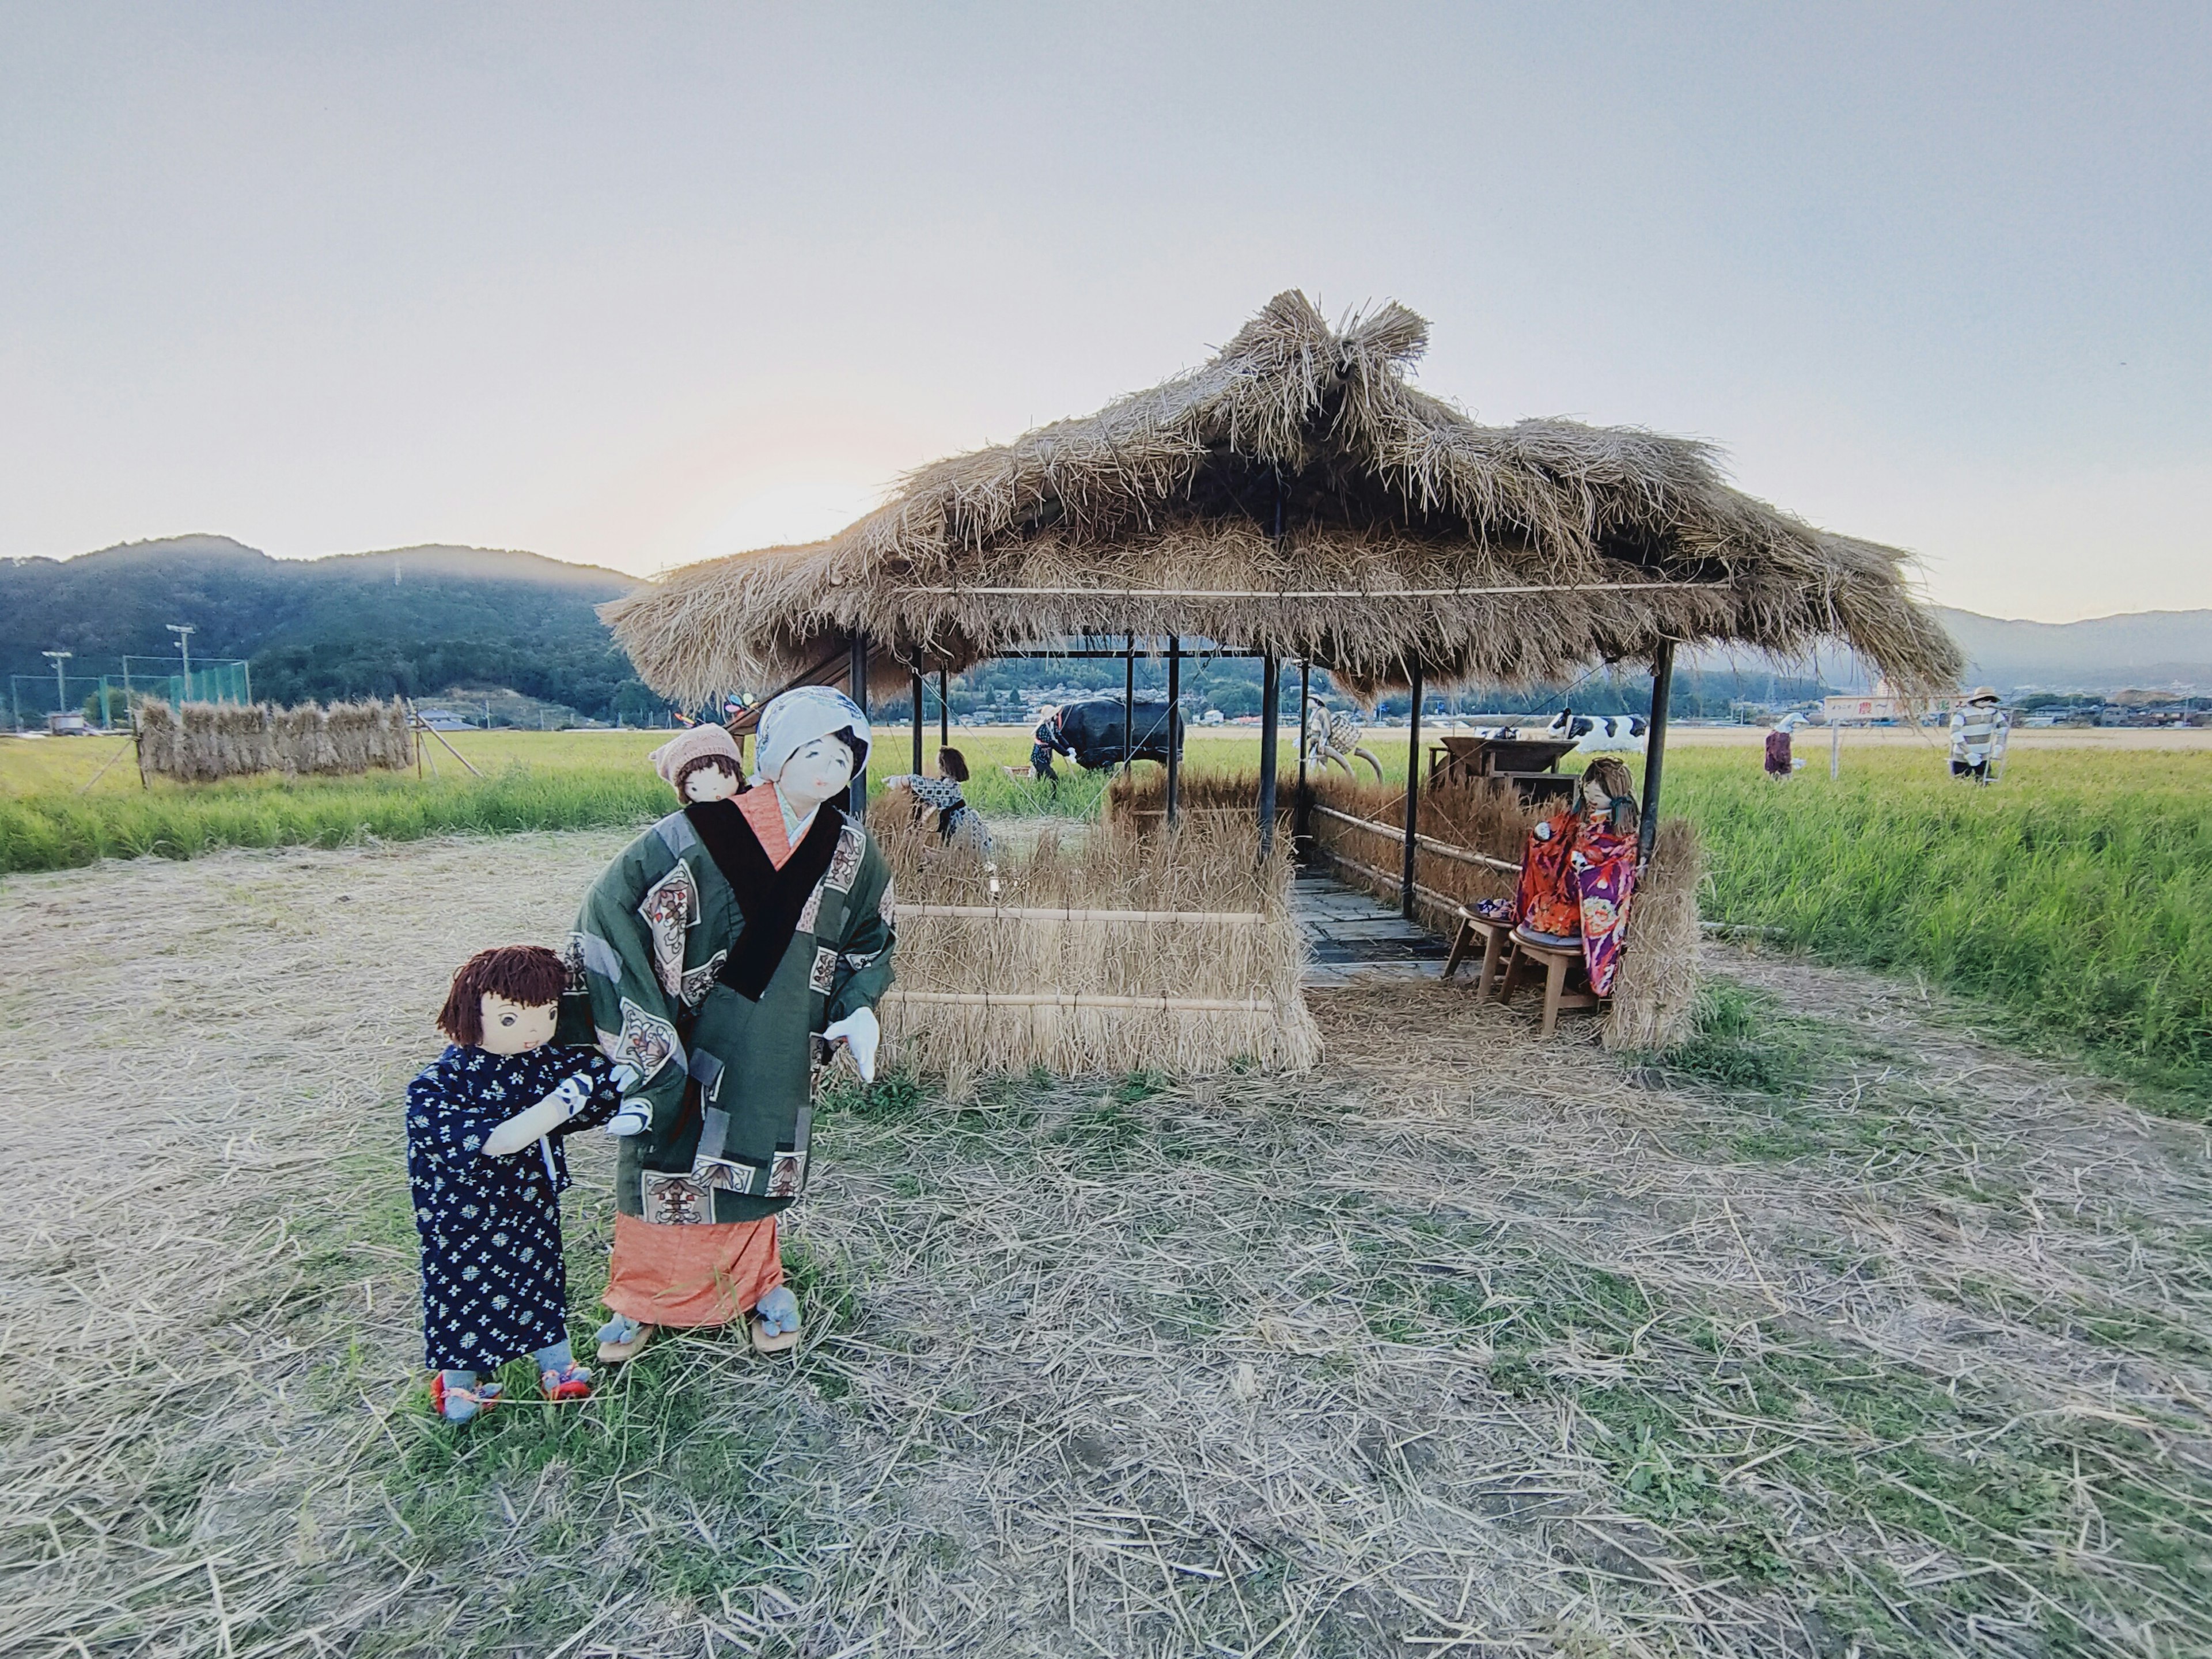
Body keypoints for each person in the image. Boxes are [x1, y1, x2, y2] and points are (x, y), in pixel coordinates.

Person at [565, 687, 895, 1364]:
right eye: (811, 751)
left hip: (780, 1037)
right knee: (668, 1152)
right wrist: (643, 1038)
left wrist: (857, 1006)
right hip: (688, 1034)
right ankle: (643, 1297)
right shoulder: (705, 828)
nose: (828, 768)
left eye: (843, 756)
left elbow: (871, 936)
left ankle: (756, 1285)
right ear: (773, 756)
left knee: (759, 1158)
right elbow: (611, 905)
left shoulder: (852, 849)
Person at [407, 945, 622, 1423]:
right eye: (510, 1019)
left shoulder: (540, 1063)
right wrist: (561, 1104)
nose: (533, 1031)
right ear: (469, 1014)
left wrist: (627, 1083)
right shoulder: (439, 1087)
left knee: (541, 1280)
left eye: (546, 1015)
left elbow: (601, 1084)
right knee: (462, 1291)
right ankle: (460, 1384)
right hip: (462, 1217)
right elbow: (499, 1141)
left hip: (529, 1203)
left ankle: (557, 1366)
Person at [1481, 757, 1641, 997]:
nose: (1590, 790)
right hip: (1564, 896)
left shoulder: (1621, 831)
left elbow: (1619, 867)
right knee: (1540, 905)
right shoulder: (1581, 821)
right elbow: (1561, 833)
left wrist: (1589, 870)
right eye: (1588, 783)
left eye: (1598, 785)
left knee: (1556, 916)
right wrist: (1545, 835)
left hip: (1586, 906)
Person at [884, 745, 992, 855]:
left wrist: (898, 781)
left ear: (943, 766)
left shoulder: (946, 788)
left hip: (964, 829)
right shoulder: (949, 784)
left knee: (957, 856)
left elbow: (920, 783)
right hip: (967, 826)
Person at [1949, 687, 2009, 783]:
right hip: (1962, 756)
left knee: (1983, 782)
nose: (1986, 702)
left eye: (1989, 700)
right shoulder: (1963, 714)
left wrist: (1999, 745)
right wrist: (1968, 753)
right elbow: (1955, 733)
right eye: (1983, 699)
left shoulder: (1994, 714)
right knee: (1960, 782)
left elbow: (2003, 729)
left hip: (1984, 755)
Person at [1030, 706, 1071, 794]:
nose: (1056, 716)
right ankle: (1053, 795)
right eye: (1055, 714)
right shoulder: (1043, 729)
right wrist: (1066, 753)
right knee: (1054, 778)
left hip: (1046, 758)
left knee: (1040, 779)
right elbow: (1053, 744)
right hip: (1039, 758)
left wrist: (1068, 747)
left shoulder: (1052, 726)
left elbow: (1059, 736)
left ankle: (1039, 794)